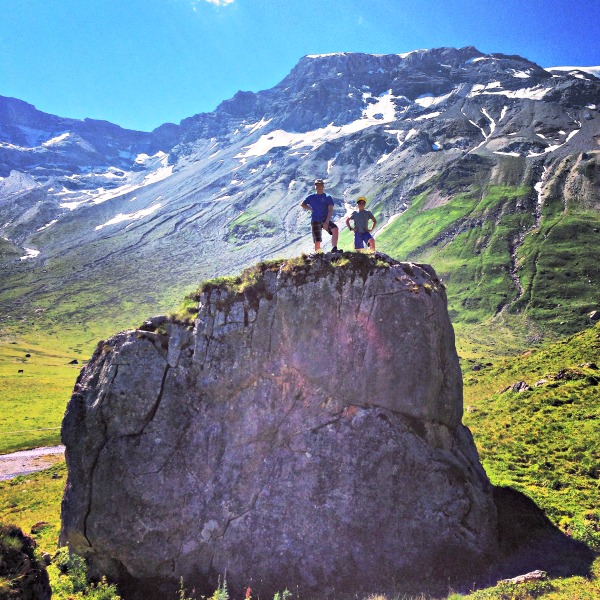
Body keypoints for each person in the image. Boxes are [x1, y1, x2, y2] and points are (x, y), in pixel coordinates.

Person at [300, 179, 342, 253]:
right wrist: (310, 209)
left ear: (323, 186)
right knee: (317, 239)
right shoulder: (311, 197)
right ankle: (318, 254)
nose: (318, 187)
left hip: (324, 219)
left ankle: (334, 248)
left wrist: (327, 222)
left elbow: (330, 210)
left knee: (335, 229)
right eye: (316, 185)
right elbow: (303, 204)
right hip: (315, 220)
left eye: (319, 185)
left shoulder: (327, 197)